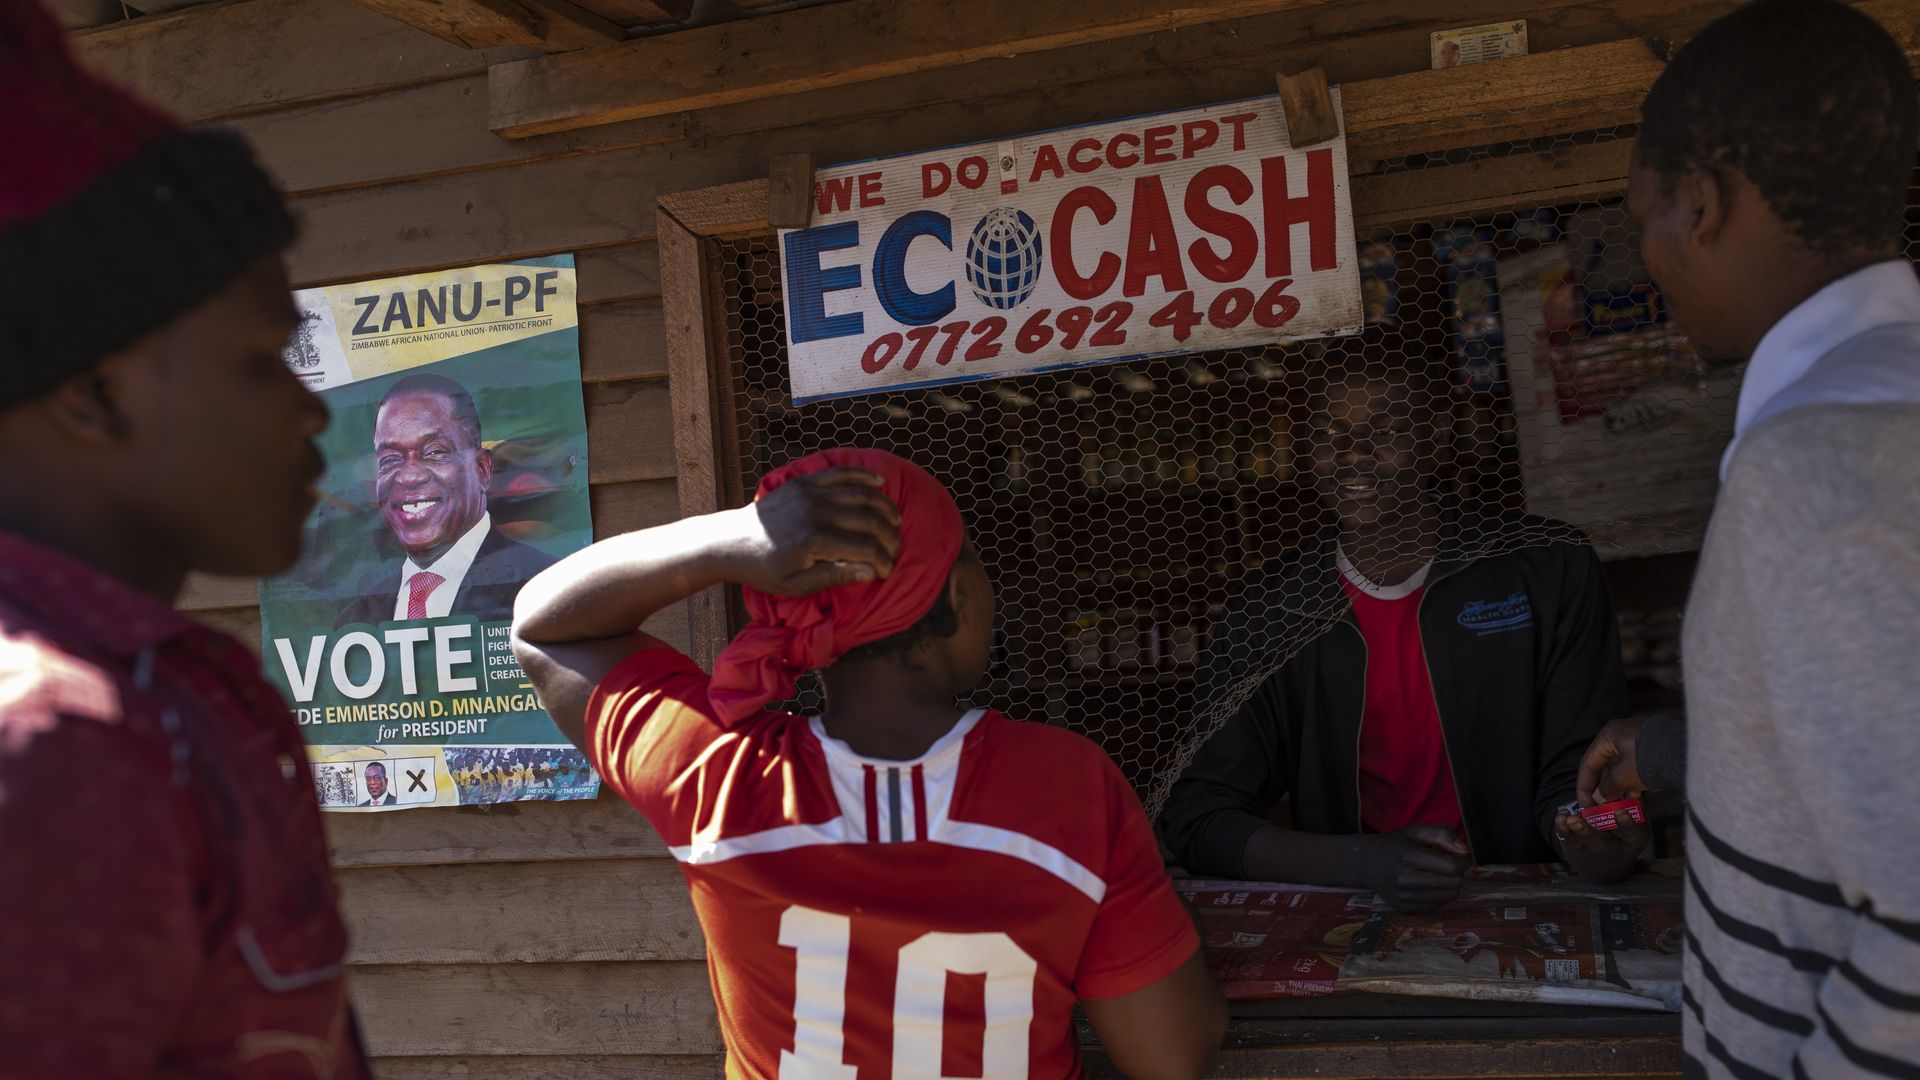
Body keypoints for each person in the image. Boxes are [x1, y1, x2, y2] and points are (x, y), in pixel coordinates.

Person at [512, 448, 1226, 1078]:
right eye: (969, 558)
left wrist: (732, 540)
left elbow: (544, 627)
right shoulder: (1069, 784)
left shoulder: (717, 772)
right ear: (953, 595)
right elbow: (1169, 1055)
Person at [0, 2, 370, 1074]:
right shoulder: (55, 749)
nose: (311, 413)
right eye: (264, 363)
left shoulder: (164, 698)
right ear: (96, 396)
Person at [1578, 2, 1920, 1074]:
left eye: (1646, 217)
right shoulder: (1881, 414)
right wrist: (1681, 751)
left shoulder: (1817, 474)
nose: (1648, 258)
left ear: (1706, 203)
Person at [1161, 355, 1641, 912]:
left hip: (1523, 896)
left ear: (1435, 436)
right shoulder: (1272, 608)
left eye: (1384, 431)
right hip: (1357, 907)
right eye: (1329, 435)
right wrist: (1360, 861)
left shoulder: (1545, 566)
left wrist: (1591, 841)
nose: (1354, 455)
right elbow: (1199, 818)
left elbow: (1580, 768)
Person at [339, 372, 555, 626]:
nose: (409, 476)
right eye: (390, 459)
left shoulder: (548, 589)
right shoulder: (356, 620)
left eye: (434, 452)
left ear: (482, 469)